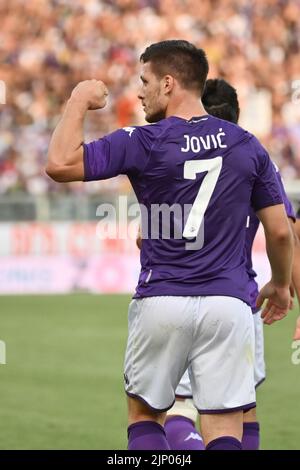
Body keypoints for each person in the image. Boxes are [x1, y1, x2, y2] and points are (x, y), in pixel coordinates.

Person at [46, 40, 293, 450]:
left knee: (146, 417)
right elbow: (281, 231)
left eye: (144, 81)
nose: (139, 92)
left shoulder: (144, 141)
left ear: (167, 82)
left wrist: (77, 100)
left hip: (162, 299)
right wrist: (281, 285)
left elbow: (59, 163)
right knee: (225, 426)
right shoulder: (248, 145)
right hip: (229, 304)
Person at [136, 78, 299, 451]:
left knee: (176, 408)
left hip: (174, 294)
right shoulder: (254, 154)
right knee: (241, 412)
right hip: (238, 299)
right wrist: (288, 290)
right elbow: (284, 231)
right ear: (237, 117)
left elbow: (144, 237)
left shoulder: (171, 152)